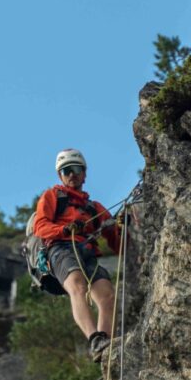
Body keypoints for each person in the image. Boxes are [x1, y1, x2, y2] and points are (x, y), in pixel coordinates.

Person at [33, 148, 121, 361]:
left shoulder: (93, 208)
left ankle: (105, 346)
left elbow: (115, 239)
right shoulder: (53, 196)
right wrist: (64, 229)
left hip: (86, 252)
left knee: (107, 293)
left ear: (84, 173)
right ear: (60, 176)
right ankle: (94, 338)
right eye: (66, 171)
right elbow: (40, 226)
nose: (71, 174)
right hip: (60, 248)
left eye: (75, 169)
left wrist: (123, 227)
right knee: (77, 284)